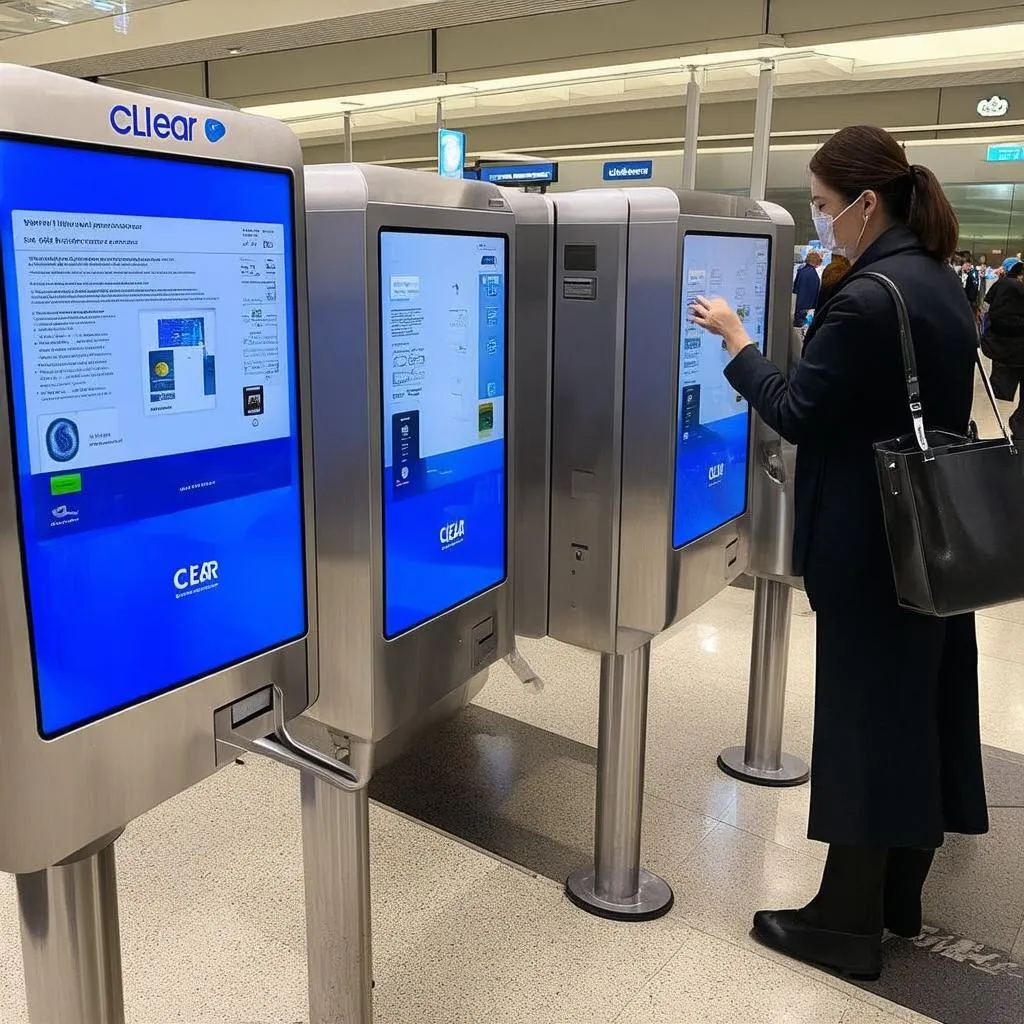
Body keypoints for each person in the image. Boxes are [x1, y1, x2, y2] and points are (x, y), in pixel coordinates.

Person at [689, 124, 988, 982]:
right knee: (913, 708)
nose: (820, 223)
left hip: (869, 542)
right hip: (933, 539)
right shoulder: (933, 281)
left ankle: (844, 921)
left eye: (822, 207)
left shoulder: (867, 298)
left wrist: (740, 344)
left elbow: (799, 410)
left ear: (866, 202)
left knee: (864, 719)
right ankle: (896, 891)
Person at [981, 257, 1024, 438]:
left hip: (1002, 350)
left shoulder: (998, 286)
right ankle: (1019, 426)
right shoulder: (1021, 289)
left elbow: (986, 307)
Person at [793, 249, 823, 327]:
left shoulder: (801, 271)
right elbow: (815, 294)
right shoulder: (814, 276)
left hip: (799, 304)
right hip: (807, 307)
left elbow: (795, 289)